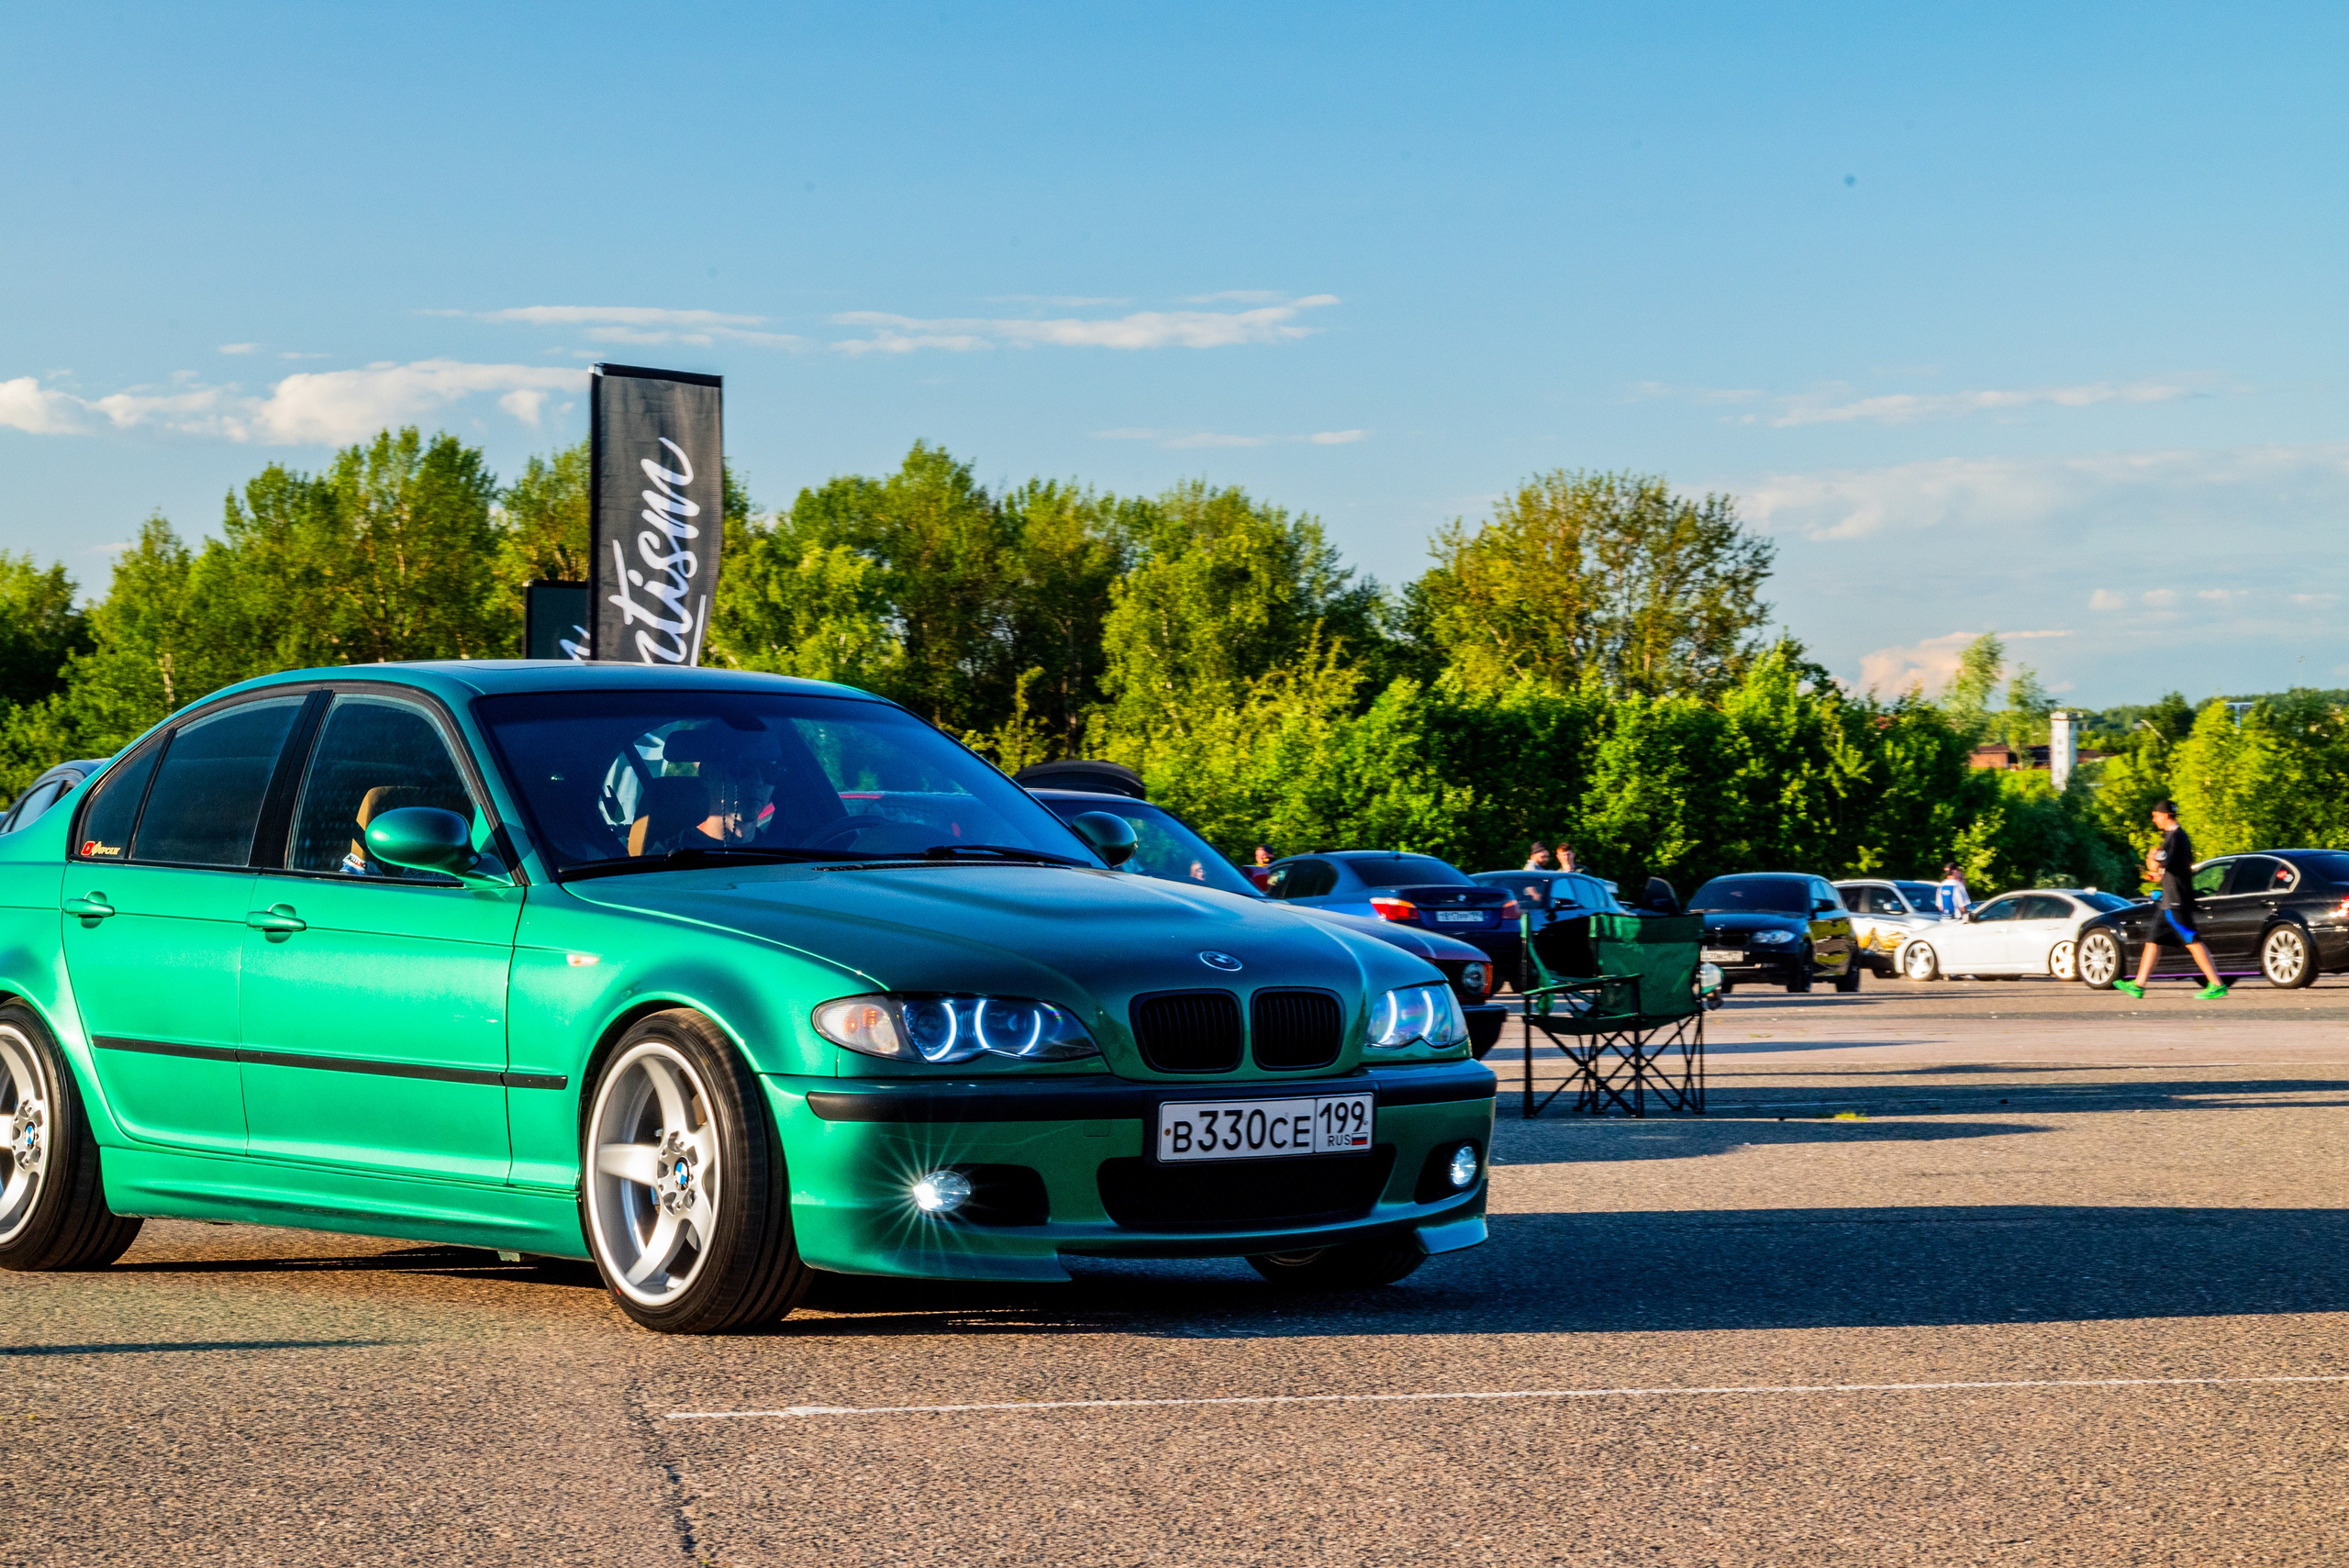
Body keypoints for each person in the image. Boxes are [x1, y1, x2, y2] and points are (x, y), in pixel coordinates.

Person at [2118, 800, 2226, 999]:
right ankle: (2138, 984)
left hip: (2176, 900)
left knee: (2192, 939)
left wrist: (2151, 857)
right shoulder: (2175, 837)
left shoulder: (2175, 837)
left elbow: (2157, 863)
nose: (2154, 819)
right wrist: (2160, 877)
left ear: (2166, 815)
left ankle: (2216, 984)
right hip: (2169, 899)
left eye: (2155, 815)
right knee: (2153, 940)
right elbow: (2174, 868)